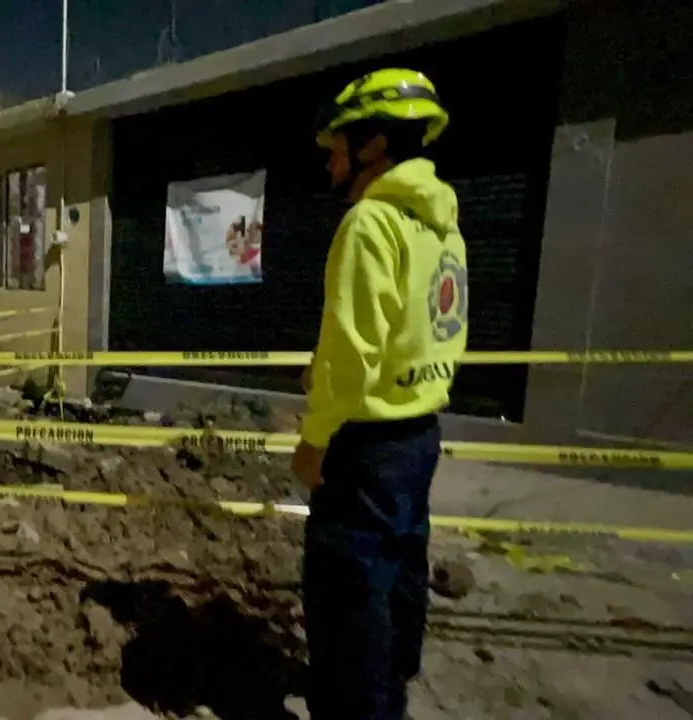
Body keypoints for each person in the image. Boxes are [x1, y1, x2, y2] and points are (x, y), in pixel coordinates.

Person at [292, 68, 468, 720]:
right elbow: (441, 329)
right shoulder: (443, 223)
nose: (330, 160)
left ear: (374, 145)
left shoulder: (370, 224)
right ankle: (390, 694)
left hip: (364, 446)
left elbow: (351, 356)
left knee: (347, 597)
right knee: (400, 575)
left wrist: (315, 441)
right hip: (419, 436)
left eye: (338, 145)